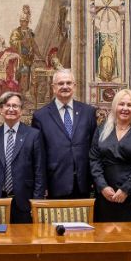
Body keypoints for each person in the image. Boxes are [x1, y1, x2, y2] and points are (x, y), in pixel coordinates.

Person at [30, 69, 98, 199]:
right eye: (61, 83)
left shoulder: (88, 112)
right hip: (55, 183)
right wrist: (42, 185)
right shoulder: (40, 116)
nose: (65, 86)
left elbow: (94, 148)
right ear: (53, 87)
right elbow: (39, 155)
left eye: (68, 83)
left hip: (83, 184)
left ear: (74, 86)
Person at [90, 89, 131, 222]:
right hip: (106, 195)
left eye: (129, 105)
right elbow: (94, 158)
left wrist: (126, 189)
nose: (125, 108)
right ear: (114, 106)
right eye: (121, 104)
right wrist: (102, 186)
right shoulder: (102, 129)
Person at [0, 92, 45, 223]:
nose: (11, 109)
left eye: (15, 106)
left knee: (24, 241)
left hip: (24, 202)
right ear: (1, 110)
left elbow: (39, 172)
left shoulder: (33, 135)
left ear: (21, 111)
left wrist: (37, 203)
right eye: (7, 105)